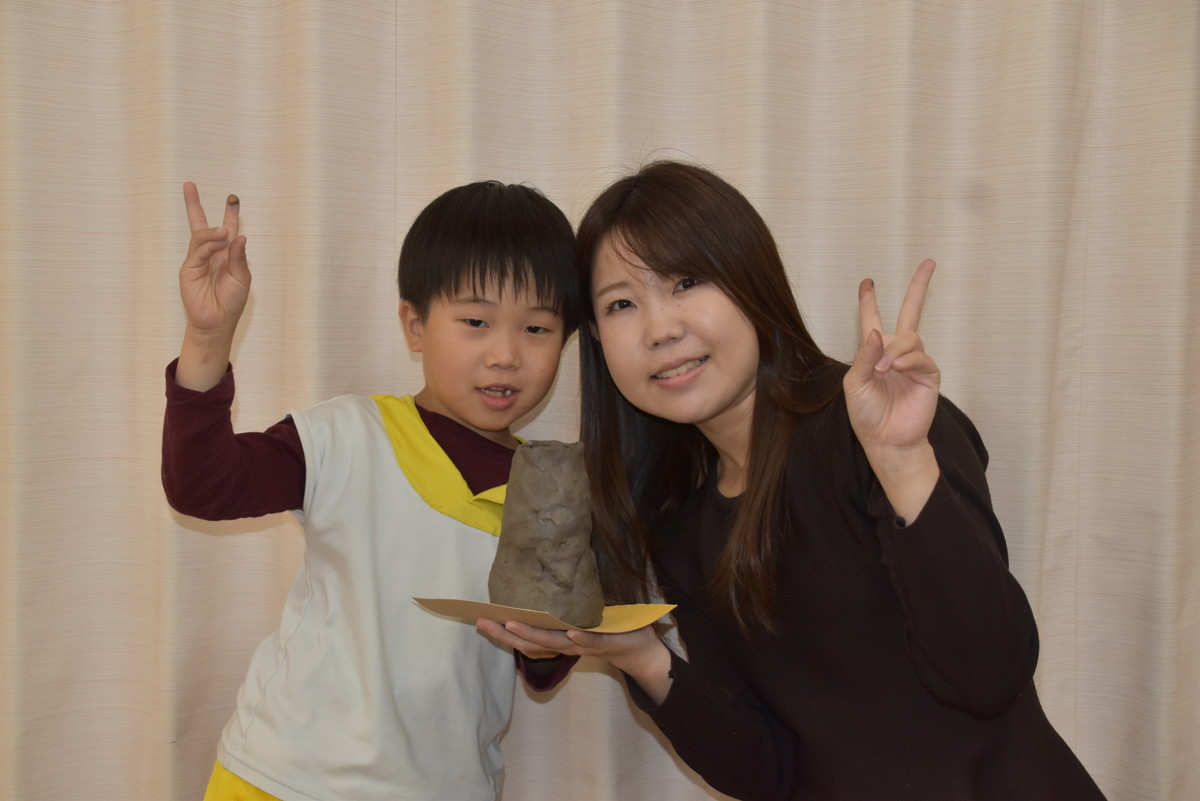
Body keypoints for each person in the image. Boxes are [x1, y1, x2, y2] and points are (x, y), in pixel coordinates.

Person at [477, 161, 1108, 800]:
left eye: (687, 281)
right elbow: (767, 773)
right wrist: (642, 656)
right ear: (596, 339)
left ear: (750, 277)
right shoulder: (682, 525)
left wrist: (903, 462)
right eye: (621, 304)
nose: (660, 328)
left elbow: (989, 676)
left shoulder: (878, 427)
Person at [164, 179, 580, 801]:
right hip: (280, 780)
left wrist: (555, 637)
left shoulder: (551, 495)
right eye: (475, 321)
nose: (505, 355)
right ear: (415, 325)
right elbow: (203, 487)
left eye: (538, 329)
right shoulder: (346, 435)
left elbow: (541, 671)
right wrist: (207, 339)